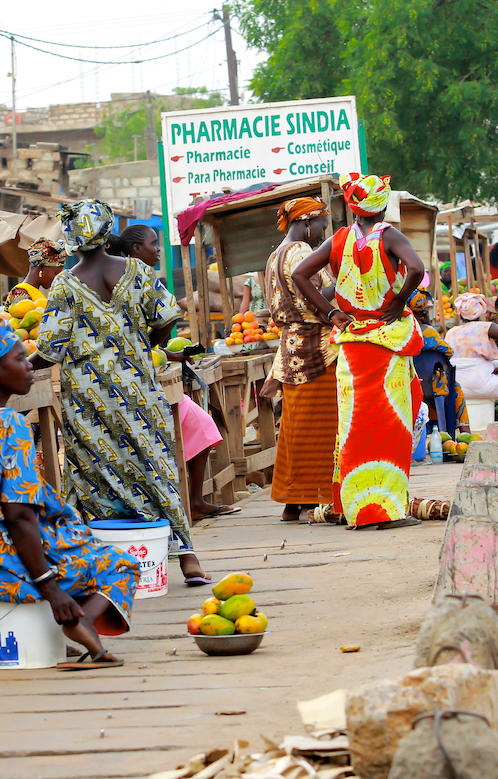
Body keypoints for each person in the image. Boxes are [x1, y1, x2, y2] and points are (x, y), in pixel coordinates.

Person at [0, 321, 139, 667]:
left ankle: (61, 627)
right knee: (121, 566)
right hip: (2, 563)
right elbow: (19, 516)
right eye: (20, 359)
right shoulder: (8, 425)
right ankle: (79, 619)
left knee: (75, 541)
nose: (30, 365)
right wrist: (51, 588)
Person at [37, 200, 208, 582]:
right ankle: (186, 556)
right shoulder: (138, 271)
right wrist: (142, 342)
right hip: (138, 389)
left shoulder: (65, 283)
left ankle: (103, 558)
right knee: (155, 464)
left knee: (96, 471)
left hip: (87, 398)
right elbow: (167, 320)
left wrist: (4, 364)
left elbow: (49, 349)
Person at [291, 174, 425, 529]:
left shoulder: (339, 239)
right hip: (387, 343)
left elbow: (300, 275)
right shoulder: (389, 235)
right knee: (390, 425)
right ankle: (385, 511)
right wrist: (398, 301)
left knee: (354, 426)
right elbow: (417, 269)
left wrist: (331, 312)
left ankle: (352, 507)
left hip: (351, 345)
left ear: (351, 208)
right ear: (381, 205)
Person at [106, 225, 238, 522]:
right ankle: (184, 503)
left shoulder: (123, 276)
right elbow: (162, 320)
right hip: (138, 381)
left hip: (145, 372)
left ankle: (194, 500)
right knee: (192, 428)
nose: (158, 250)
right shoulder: (135, 277)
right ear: (136, 250)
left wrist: (171, 354)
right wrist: (147, 346)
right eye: (154, 244)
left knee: (201, 425)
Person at [257, 197, 337, 523]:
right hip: (316, 347)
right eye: (320, 226)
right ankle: (313, 500)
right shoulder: (302, 252)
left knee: (293, 426)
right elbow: (314, 296)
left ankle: (293, 501)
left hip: (290, 349)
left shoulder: (274, 255)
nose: (321, 233)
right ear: (306, 222)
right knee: (320, 425)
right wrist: (343, 284)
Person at [446, 293, 498, 415]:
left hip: (456, 388)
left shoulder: (451, 332)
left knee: (492, 364)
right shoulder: (485, 327)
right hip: (484, 386)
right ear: (481, 311)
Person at [408, 289, 469, 436]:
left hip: (407, 385)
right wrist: (428, 325)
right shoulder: (429, 333)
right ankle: (465, 433)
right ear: (423, 314)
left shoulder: (397, 333)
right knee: (456, 389)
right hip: (434, 387)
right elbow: (448, 353)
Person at [5, 238, 65, 309]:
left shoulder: (29, 293)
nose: (57, 278)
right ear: (41, 267)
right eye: (56, 273)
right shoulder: (21, 294)